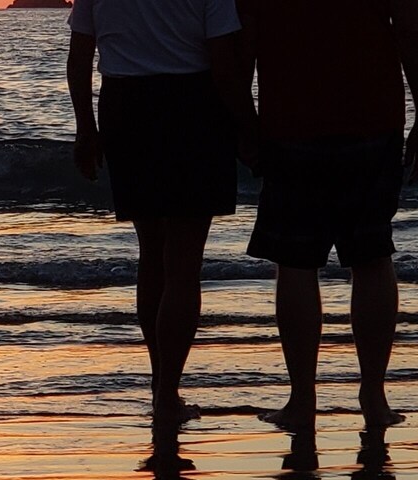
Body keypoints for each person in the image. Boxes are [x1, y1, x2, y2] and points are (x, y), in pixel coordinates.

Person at [239, 0, 418, 430]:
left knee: (295, 262)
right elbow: (410, 30)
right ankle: (373, 396)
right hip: (372, 120)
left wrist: (245, 125)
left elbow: (242, 42)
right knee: (370, 256)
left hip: (289, 123)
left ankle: (302, 400)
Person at [68, 0, 259, 434]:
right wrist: (249, 127)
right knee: (183, 264)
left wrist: (85, 129)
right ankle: (167, 394)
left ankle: (162, 386)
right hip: (193, 105)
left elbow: (79, 58)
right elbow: (224, 64)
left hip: (125, 106)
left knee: (152, 254)